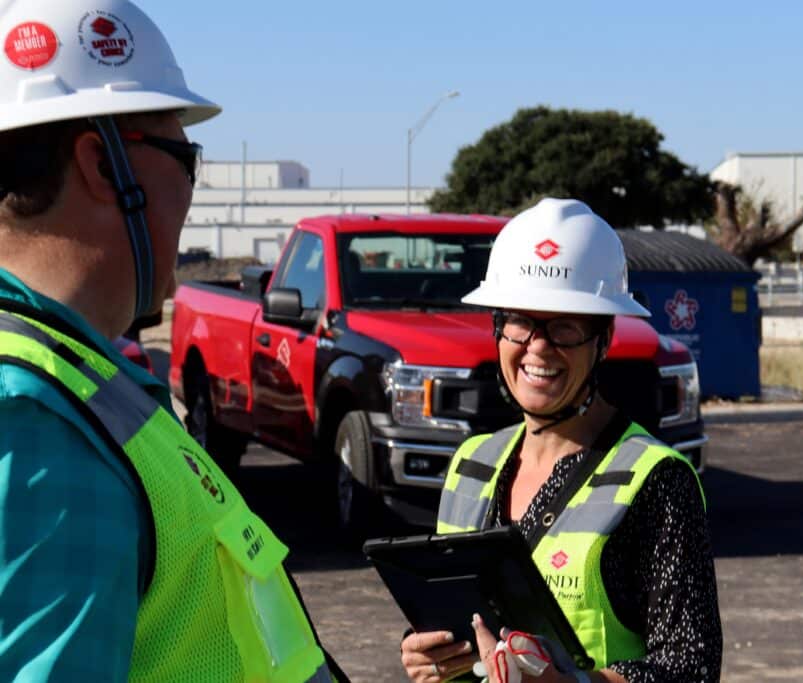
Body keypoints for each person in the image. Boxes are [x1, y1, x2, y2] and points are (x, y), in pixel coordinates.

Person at [0, 1, 346, 680]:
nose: (191, 189)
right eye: (185, 156)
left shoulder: (83, 382)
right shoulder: (36, 420)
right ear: (104, 166)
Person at [400, 198, 722, 682]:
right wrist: (430, 656)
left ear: (604, 338)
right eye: (520, 322)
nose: (538, 346)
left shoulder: (655, 481)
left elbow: (689, 670)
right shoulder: (472, 463)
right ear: (497, 328)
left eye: (565, 326)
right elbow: (460, 630)